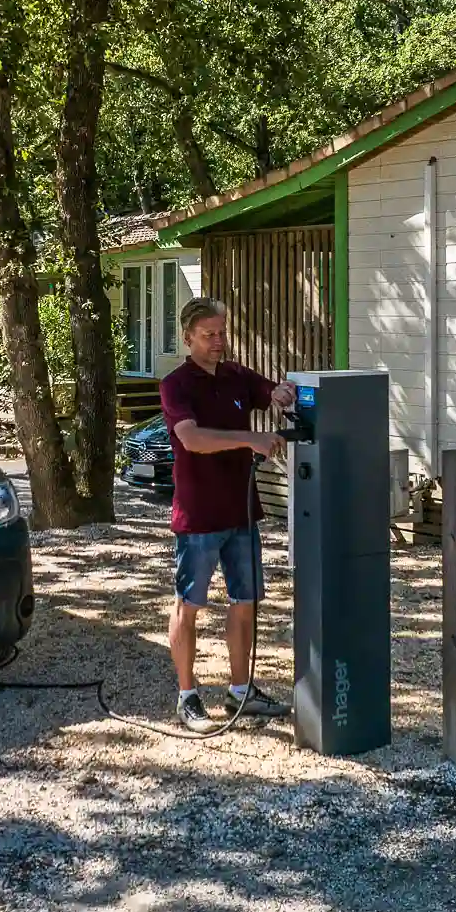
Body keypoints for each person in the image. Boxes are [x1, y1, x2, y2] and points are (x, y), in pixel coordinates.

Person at [158, 296, 296, 731]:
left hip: (241, 512)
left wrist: (284, 392)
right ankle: (187, 695)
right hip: (198, 515)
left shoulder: (236, 376)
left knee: (246, 601)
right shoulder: (176, 385)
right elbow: (192, 439)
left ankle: (241, 690)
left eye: (221, 332)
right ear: (187, 338)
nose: (218, 341)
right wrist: (249, 439)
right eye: (208, 334)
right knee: (190, 604)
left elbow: (269, 393)